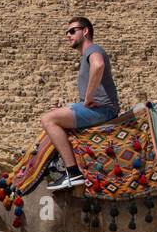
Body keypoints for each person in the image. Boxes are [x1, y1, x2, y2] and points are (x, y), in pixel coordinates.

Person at [44, 16, 120, 191]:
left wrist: (88, 97)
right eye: (66, 32)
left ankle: (72, 173)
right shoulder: (86, 54)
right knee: (57, 114)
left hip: (103, 110)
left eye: (72, 31)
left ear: (85, 31)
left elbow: (98, 65)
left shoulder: (92, 49)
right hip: (99, 108)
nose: (68, 35)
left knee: (48, 119)